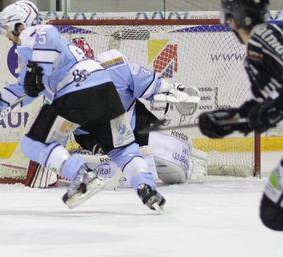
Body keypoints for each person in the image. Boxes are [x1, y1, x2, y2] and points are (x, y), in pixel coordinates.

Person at [0, 0, 165, 211]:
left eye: (6, 29)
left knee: (32, 144)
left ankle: (83, 176)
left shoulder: (37, 34)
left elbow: (46, 36)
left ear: (19, 25)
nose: (6, 35)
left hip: (77, 91)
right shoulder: (30, 53)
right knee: (123, 150)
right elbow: (25, 91)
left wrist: (37, 69)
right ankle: (147, 189)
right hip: (105, 91)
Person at [198, 0, 283, 231]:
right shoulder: (263, 43)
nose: (228, 23)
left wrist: (276, 107)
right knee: (274, 212)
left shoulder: (262, 39)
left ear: (237, 17)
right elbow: (266, 106)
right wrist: (232, 120)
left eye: (229, 16)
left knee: (274, 213)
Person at [69, 38, 200, 187]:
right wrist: (95, 147)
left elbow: (147, 83)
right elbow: (79, 132)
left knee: (168, 149)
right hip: (105, 139)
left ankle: (192, 158)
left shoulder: (114, 66)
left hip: (137, 125)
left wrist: (169, 88)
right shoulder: (62, 91)